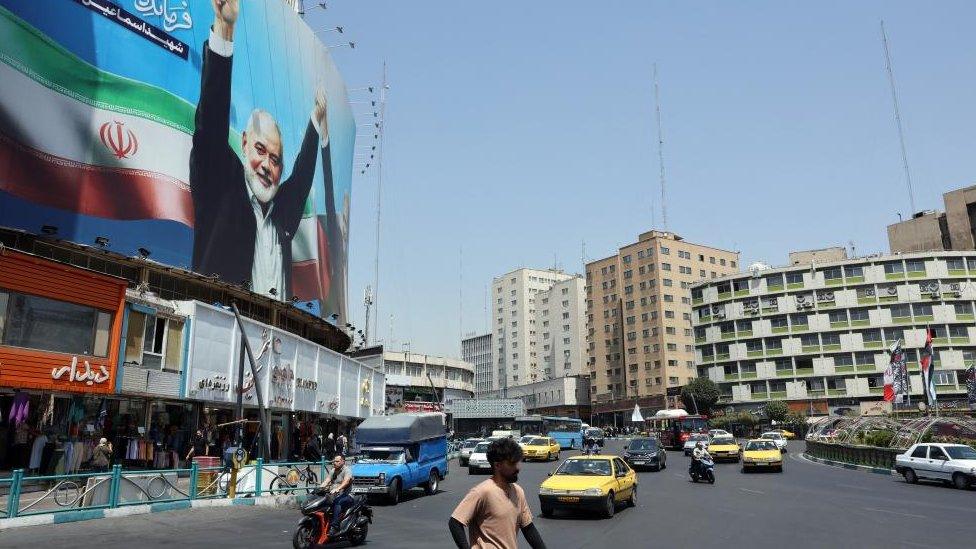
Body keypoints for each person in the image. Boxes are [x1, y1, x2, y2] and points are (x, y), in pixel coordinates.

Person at [190, 0, 336, 300]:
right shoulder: (222, 185)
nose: (267, 165)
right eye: (260, 150)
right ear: (244, 143)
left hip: (274, 332)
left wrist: (316, 118)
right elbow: (212, 124)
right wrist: (226, 30)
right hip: (221, 324)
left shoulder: (283, 213)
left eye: (275, 159)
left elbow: (303, 174)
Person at [449, 438, 546, 549]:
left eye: (517, 462)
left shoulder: (518, 492)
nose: (518, 468)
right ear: (497, 465)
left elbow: (528, 528)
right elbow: (455, 523)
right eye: (512, 463)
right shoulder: (483, 491)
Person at [319, 455, 353, 536]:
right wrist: (320, 487)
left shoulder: (347, 470)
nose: (335, 463)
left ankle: (334, 527)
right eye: (334, 461)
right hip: (334, 494)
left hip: (347, 495)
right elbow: (327, 480)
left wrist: (338, 488)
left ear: (343, 462)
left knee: (337, 503)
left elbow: (346, 481)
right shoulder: (333, 470)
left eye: (337, 461)